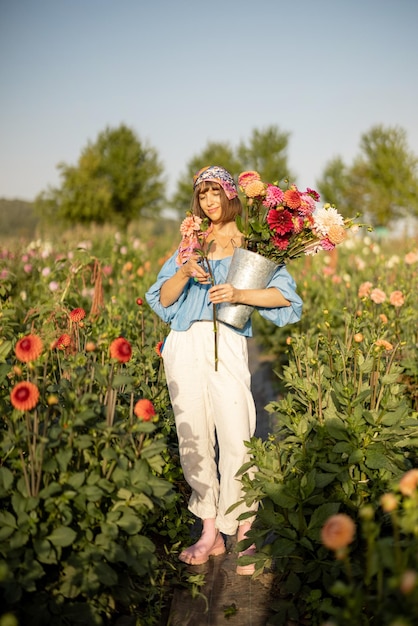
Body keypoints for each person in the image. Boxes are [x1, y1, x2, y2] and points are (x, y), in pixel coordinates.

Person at [145, 166, 302, 575]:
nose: (209, 201)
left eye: (216, 192)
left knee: (237, 432)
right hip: (184, 344)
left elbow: (286, 300)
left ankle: (244, 527)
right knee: (192, 434)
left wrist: (238, 292)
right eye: (203, 195)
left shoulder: (253, 245)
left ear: (231, 195)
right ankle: (210, 529)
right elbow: (161, 298)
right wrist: (183, 270)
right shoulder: (192, 241)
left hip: (227, 341)